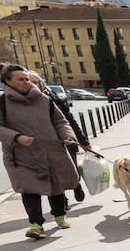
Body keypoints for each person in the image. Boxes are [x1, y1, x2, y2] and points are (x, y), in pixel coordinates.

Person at [0, 64, 81, 239]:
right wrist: (16, 137)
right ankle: (36, 225)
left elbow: (61, 121)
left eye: (27, 78)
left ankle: (59, 216)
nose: (26, 82)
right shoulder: (0, 102)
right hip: (21, 155)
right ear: (7, 81)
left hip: (51, 150)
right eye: (21, 79)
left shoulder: (44, 99)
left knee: (56, 186)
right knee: (29, 190)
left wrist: (68, 136)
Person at [29, 71, 93, 202]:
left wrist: (84, 142)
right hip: (44, 145)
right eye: (28, 81)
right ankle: (62, 199)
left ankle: (76, 185)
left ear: (42, 85)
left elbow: (70, 121)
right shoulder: (24, 102)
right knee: (52, 173)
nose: (30, 84)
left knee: (71, 168)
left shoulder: (52, 99)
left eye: (34, 82)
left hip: (65, 140)